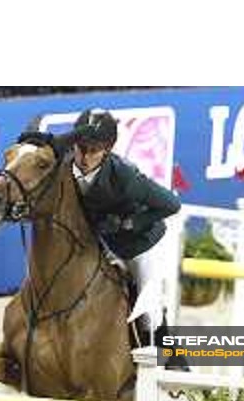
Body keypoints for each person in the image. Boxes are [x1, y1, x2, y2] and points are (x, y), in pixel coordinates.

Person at [70, 108, 181, 338]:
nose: (84, 157)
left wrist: (129, 223)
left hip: (139, 245)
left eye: (93, 151)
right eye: (80, 148)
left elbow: (171, 204)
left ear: (107, 150)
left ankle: (169, 356)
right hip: (100, 240)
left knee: (149, 310)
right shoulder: (67, 163)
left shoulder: (125, 177)